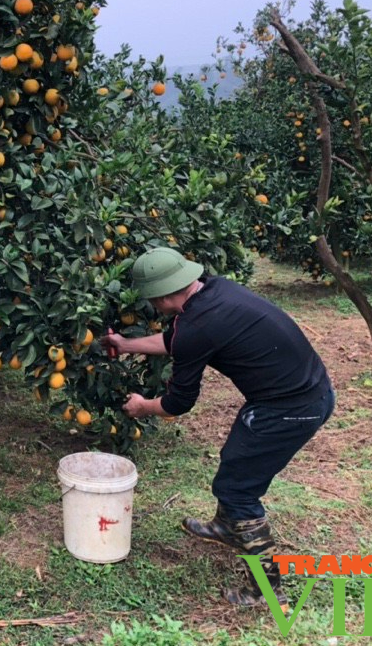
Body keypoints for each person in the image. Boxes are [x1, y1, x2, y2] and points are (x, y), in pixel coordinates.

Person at [100, 247, 334, 607]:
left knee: (239, 490)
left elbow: (179, 402)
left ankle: (267, 591)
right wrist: (126, 344)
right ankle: (226, 528)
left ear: (163, 297)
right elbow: (179, 341)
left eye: (152, 300)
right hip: (302, 392)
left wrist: (142, 406)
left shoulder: (196, 325)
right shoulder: (213, 290)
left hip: (290, 408)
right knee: (233, 465)